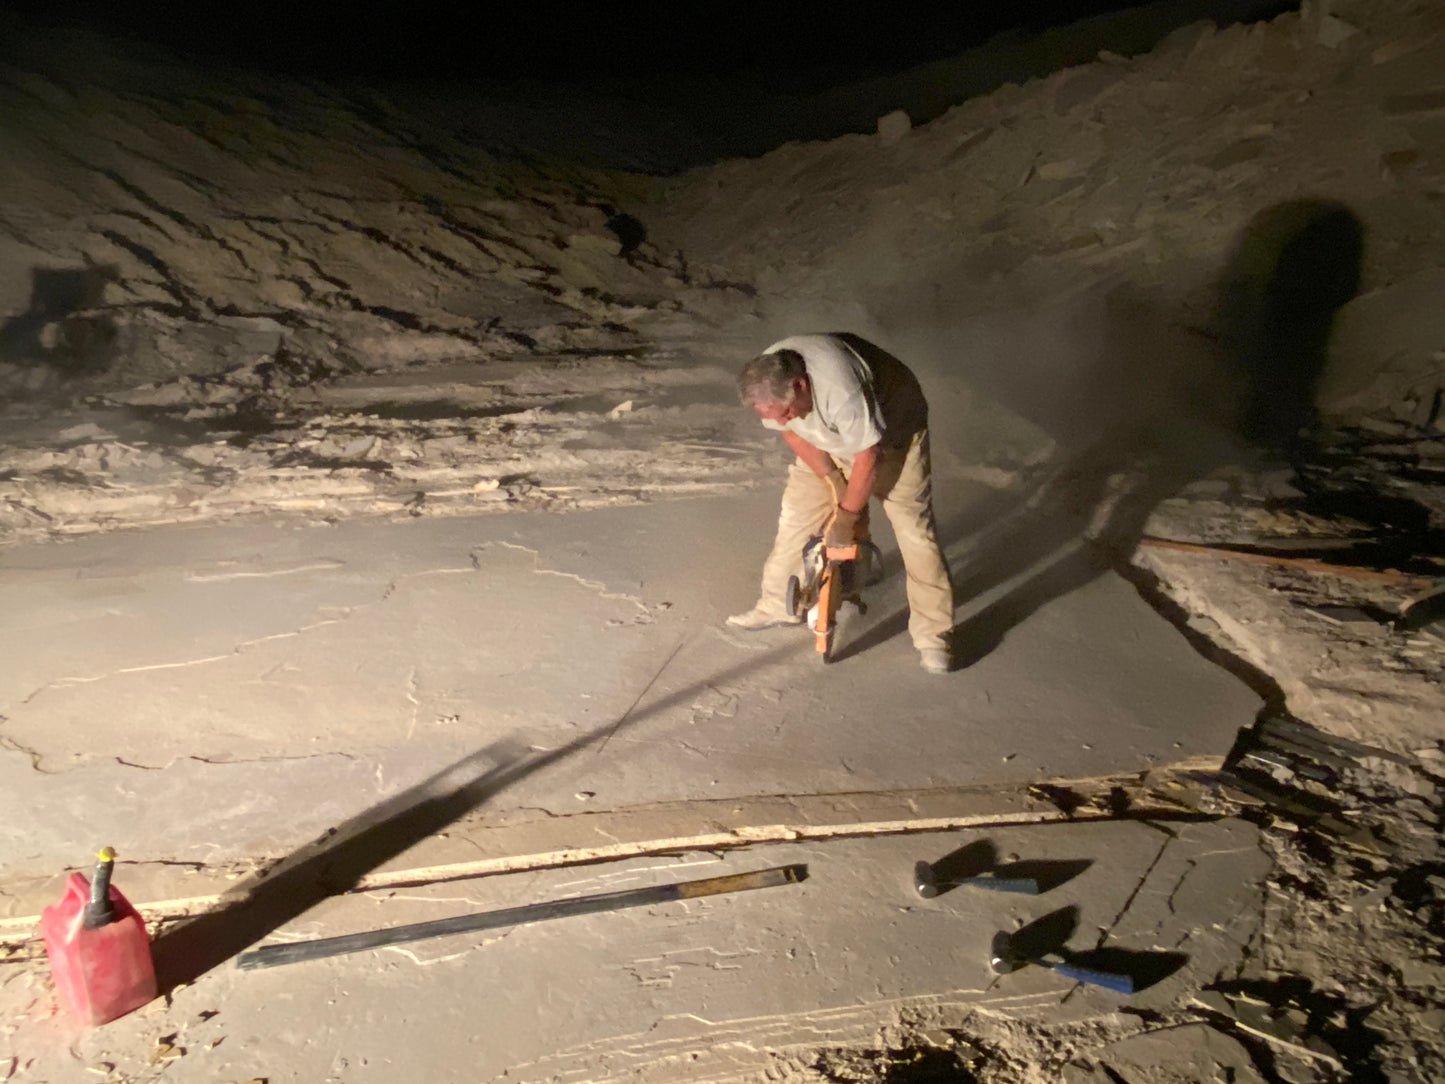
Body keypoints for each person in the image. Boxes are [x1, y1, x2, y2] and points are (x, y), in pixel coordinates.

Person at [727, 332, 954, 673]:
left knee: (914, 532)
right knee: (796, 517)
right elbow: (790, 431)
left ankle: (934, 636)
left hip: (893, 439)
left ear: (801, 385)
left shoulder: (842, 390)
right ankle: (777, 604)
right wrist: (833, 479)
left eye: (787, 411)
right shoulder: (769, 383)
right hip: (828, 440)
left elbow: (868, 457)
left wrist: (846, 518)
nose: (782, 418)